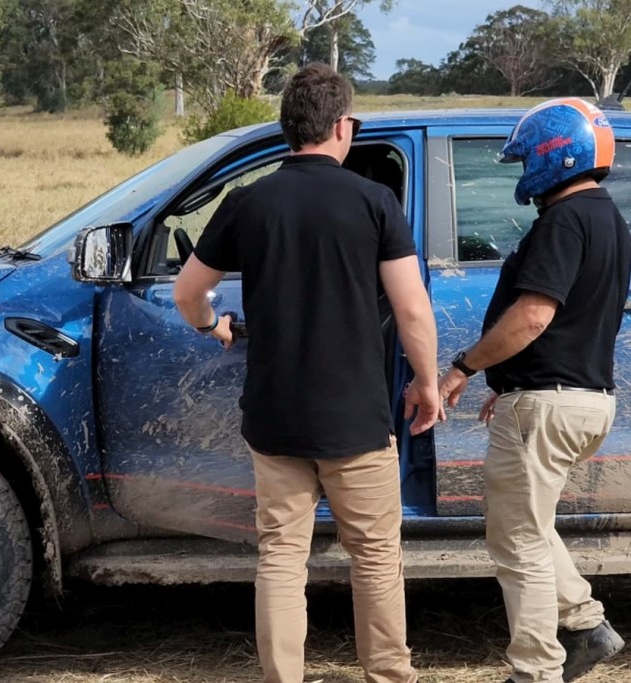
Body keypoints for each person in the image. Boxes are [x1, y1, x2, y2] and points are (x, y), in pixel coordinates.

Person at [173, 63, 441, 683]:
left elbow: (190, 292)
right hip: (356, 418)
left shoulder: (248, 202)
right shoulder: (375, 202)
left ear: (287, 127)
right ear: (343, 126)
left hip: (274, 418)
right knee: (375, 559)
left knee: (282, 559)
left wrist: (211, 325)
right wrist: (427, 384)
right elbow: (411, 309)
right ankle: (388, 676)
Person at [438, 97, 630, 683]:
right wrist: (510, 379)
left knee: (516, 542)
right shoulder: (609, 221)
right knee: (530, 523)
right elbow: (571, 325)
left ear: (554, 156)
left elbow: (533, 317)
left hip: (547, 403)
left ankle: (535, 670)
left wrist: (464, 368)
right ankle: (587, 624)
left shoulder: (563, 222)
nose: (522, 173)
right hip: (583, 398)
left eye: (526, 159)